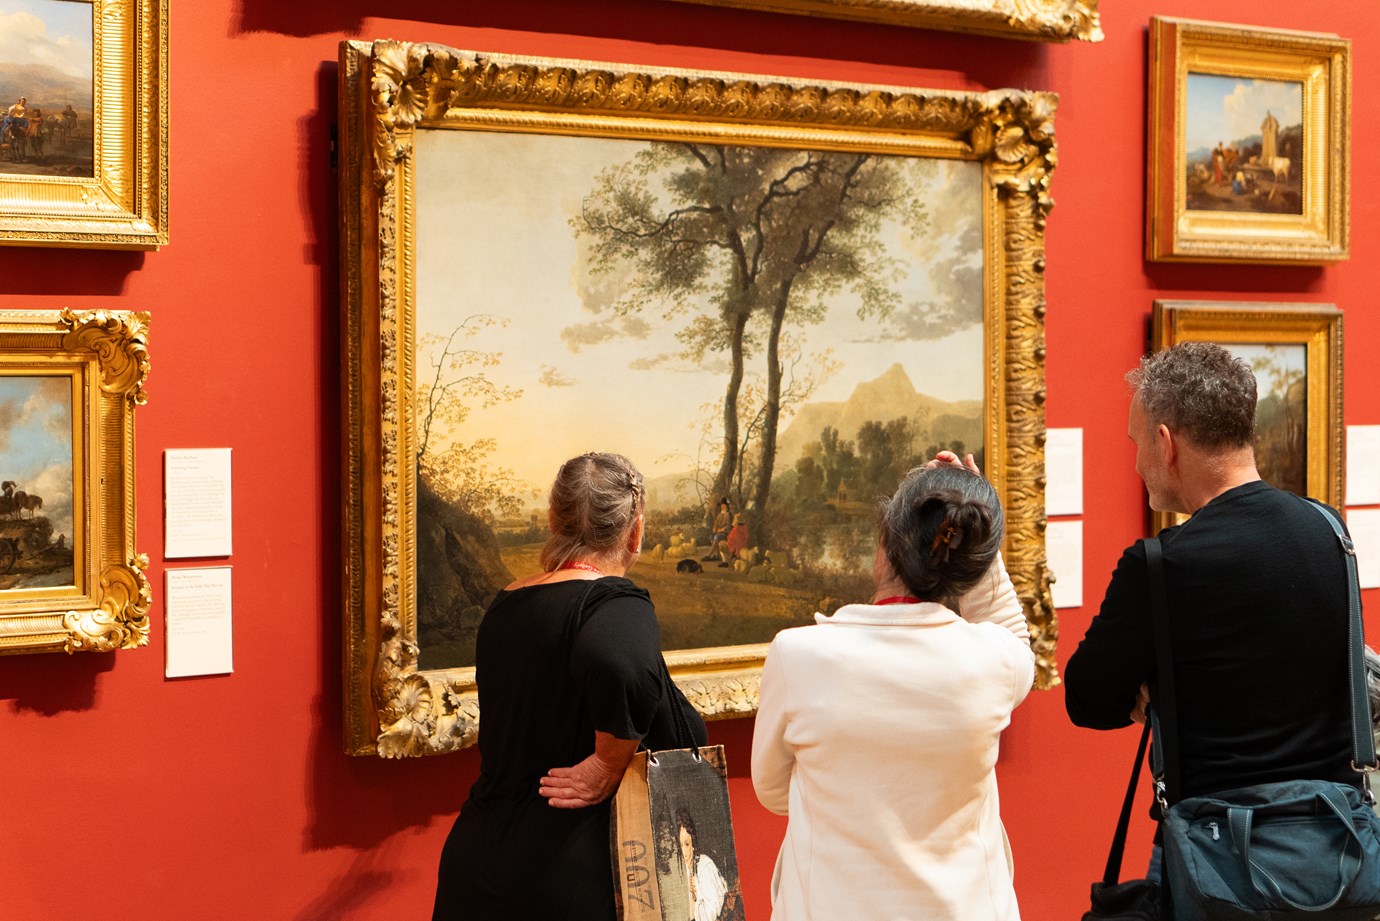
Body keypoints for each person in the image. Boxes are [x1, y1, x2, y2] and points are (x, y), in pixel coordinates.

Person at [1064, 343, 1357, 873]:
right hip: (1335, 854)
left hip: (1219, 859)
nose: (1136, 462)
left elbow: (1087, 699)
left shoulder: (1160, 565)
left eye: (1136, 443)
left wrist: (1155, 693)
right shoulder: (1331, 530)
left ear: (1165, 442)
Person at [751, 453, 1034, 921]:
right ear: (971, 564)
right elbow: (1013, 634)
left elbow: (773, 789)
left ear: (885, 541)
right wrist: (971, 528)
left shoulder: (799, 656)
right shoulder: (991, 662)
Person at [432, 452, 708, 920]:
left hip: (479, 863)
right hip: (570, 876)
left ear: (551, 520)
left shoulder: (507, 605)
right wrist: (606, 762)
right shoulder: (614, 601)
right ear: (635, 531)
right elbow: (622, 665)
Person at [676, 807, 730, 921]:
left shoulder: (704, 865)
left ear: (693, 842)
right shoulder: (687, 870)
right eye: (681, 845)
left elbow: (715, 910)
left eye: (686, 844)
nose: (685, 853)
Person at [704, 497, 731, 562]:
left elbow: (728, 526)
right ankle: (716, 555)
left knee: (717, 537)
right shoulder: (719, 515)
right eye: (722, 506)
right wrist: (714, 528)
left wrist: (721, 530)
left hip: (726, 533)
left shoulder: (728, 514)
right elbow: (716, 523)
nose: (722, 507)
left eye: (724, 506)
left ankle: (709, 555)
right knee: (711, 537)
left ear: (726, 506)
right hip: (718, 532)